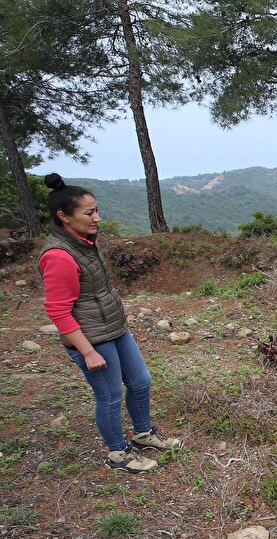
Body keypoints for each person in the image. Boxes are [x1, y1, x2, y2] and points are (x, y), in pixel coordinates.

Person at [39, 174, 179, 472]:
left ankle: (143, 433)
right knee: (110, 395)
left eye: (96, 210)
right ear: (63, 217)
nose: (97, 218)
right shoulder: (59, 256)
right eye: (89, 213)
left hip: (113, 329)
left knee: (141, 381)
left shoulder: (84, 242)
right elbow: (58, 311)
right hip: (91, 338)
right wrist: (88, 351)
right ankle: (118, 454)